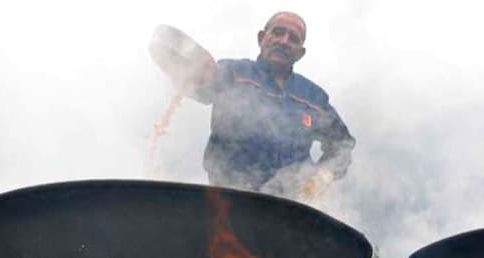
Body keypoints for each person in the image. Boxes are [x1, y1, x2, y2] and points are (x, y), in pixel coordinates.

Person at [151, 12, 355, 199]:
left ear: (300, 53)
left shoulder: (314, 98)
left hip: (291, 209)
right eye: (278, 32)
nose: (284, 41)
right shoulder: (233, 74)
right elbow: (201, 85)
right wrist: (180, 64)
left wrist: (322, 176)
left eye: (293, 38)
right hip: (230, 200)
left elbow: (342, 146)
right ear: (261, 38)